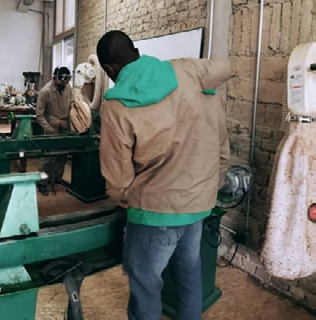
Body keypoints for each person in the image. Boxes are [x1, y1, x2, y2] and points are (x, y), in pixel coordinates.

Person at [96, 30, 232, 320]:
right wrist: (211, 184)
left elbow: (118, 180)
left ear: (109, 70)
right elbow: (220, 144)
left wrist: (127, 200)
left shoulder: (116, 105)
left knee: (146, 285)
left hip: (153, 214)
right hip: (197, 207)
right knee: (188, 274)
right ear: (136, 50)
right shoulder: (191, 72)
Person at [35, 67, 73, 195]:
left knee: (62, 155)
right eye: (61, 81)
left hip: (65, 128)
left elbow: (71, 103)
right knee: (49, 158)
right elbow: (39, 115)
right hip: (52, 128)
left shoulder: (68, 87)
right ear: (55, 77)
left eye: (66, 81)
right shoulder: (45, 92)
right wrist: (51, 129)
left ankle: (57, 178)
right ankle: (42, 182)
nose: (64, 84)